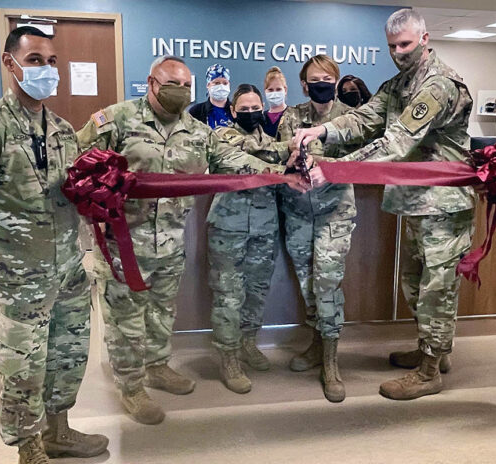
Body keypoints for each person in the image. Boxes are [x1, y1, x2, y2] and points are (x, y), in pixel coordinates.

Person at [77, 56, 306, 425]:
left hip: (169, 243)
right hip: (123, 244)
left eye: (187, 85)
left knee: (161, 314)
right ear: (152, 82)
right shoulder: (116, 120)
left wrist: (279, 174)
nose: (181, 91)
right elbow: (77, 164)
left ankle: (157, 366)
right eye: (173, 84)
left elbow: (230, 158)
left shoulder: (197, 131)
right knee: (126, 321)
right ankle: (131, 386)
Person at [0, 26, 108, 463]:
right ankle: (30, 448)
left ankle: (58, 431)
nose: (46, 70)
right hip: (18, 276)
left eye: (52, 62)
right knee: (22, 366)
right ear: (9, 63)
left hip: (70, 270)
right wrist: (5, 228)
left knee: (68, 354)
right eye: (35, 60)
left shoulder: (61, 129)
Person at [295, 8, 475, 401]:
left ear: (425, 39)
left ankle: (430, 370)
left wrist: (337, 169)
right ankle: (433, 350)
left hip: (443, 206)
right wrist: (323, 129)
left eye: (406, 44)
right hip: (416, 203)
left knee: (437, 288)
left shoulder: (438, 85)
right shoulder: (400, 84)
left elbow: (397, 141)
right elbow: (364, 120)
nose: (398, 52)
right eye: (392, 45)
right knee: (415, 284)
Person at [277, 54, 360, 403]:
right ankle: (316, 343)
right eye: (314, 78)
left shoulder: (351, 118)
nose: (321, 83)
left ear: (337, 80)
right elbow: (288, 155)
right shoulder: (291, 116)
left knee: (327, 282)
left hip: (335, 213)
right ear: (303, 84)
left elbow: (359, 158)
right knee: (309, 285)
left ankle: (331, 361)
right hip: (297, 212)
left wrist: (318, 161)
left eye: (328, 77)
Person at [208, 84, 294, 394]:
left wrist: (283, 154)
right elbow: (238, 158)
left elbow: (281, 157)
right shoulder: (220, 136)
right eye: (242, 109)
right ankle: (228, 357)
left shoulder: (272, 141)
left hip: (263, 226)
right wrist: (281, 160)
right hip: (228, 228)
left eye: (254, 107)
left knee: (257, 291)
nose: (249, 113)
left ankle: (247, 343)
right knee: (228, 294)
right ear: (232, 111)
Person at [188, 63, 233, 128]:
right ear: (208, 85)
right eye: (216, 83)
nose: (221, 86)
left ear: (229, 85)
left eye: (225, 83)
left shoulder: (235, 110)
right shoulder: (196, 111)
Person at [263, 66, 288, 137]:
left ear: (285, 90)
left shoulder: (295, 115)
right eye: (270, 90)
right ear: (265, 91)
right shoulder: (261, 119)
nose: (274, 93)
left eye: (278, 89)